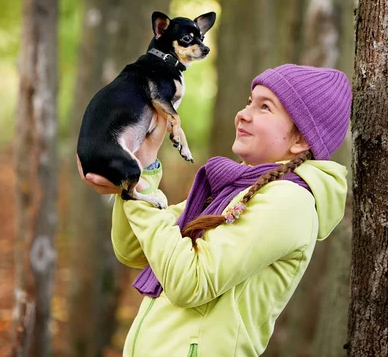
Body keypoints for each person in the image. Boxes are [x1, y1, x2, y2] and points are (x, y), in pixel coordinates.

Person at [78, 64, 352, 357]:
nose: (243, 114)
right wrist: (143, 168)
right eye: (249, 102)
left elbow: (190, 281)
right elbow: (134, 249)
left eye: (265, 108)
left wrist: (136, 188)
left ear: (300, 140)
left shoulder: (289, 201)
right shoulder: (234, 187)